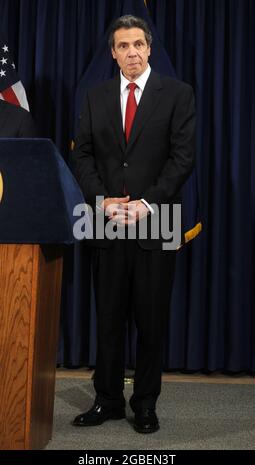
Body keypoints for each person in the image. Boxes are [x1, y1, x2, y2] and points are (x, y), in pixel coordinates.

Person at [72, 15, 195, 433]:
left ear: (149, 47)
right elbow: (82, 156)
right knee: (107, 319)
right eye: (123, 46)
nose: (132, 53)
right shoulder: (95, 96)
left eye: (138, 44)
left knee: (151, 320)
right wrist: (103, 202)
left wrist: (147, 202)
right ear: (113, 52)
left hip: (157, 221)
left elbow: (183, 158)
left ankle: (145, 404)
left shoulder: (178, 94)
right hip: (106, 221)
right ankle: (107, 400)